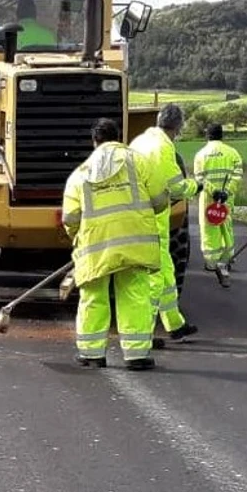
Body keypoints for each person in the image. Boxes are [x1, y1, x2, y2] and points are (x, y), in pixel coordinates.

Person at [62, 118, 167, 370]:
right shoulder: (139, 161)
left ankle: (92, 353)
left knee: (94, 297)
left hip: (97, 247)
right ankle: (136, 355)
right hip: (135, 243)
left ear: (94, 141)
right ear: (119, 136)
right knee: (135, 295)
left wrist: (77, 237)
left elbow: (70, 218)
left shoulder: (81, 173)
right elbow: (161, 200)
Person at [129, 103, 199, 343]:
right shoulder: (164, 147)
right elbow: (176, 185)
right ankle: (144, 334)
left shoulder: (140, 141)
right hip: (152, 222)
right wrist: (196, 186)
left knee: (167, 274)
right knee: (155, 280)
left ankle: (175, 325)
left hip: (137, 215)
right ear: (178, 127)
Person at [192, 122, 243, 286]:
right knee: (226, 229)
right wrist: (226, 192)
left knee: (208, 229)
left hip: (208, 200)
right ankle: (226, 260)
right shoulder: (233, 153)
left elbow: (199, 178)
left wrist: (213, 192)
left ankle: (211, 262)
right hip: (227, 200)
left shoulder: (201, 155)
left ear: (207, 135)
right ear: (222, 135)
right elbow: (237, 175)